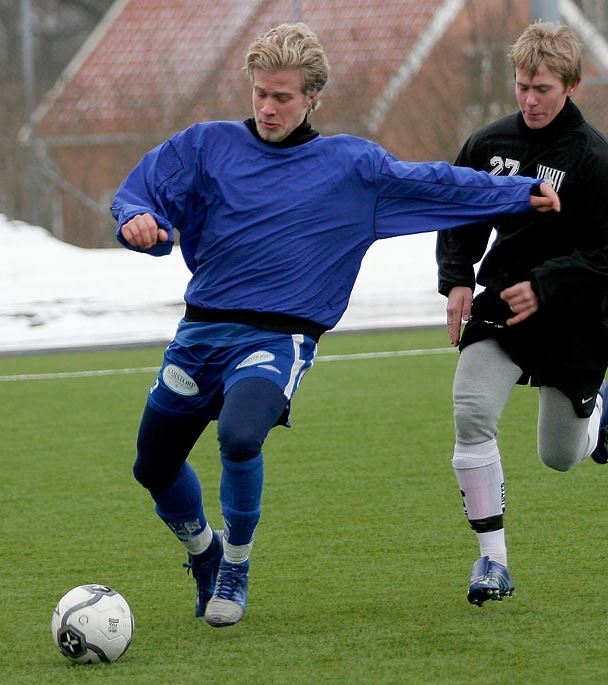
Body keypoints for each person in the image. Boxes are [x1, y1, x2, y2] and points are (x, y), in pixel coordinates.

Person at [112, 22, 559, 628]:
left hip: (278, 337)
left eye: (284, 97)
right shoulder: (205, 147)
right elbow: (143, 192)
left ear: (312, 98)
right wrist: (137, 218)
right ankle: (205, 553)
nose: (268, 108)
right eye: (260, 93)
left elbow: (431, 182)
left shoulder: (352, 168)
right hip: (200, 333)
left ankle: (236, 567)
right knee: (152, 467)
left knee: (241, 435)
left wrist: (512, 193)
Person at [436, 22, 608, 607]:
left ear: (571, 85)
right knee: (471, 413)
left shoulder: (601, 163)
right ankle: (492, 563)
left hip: (575, 319)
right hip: (500, 304)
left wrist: (548, 286)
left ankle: (595, 404)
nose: (529, 99)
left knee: (558, 458)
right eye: (522, 85)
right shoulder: (490, 144)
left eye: (543, 88)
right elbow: (460, 215)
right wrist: (456, 280)